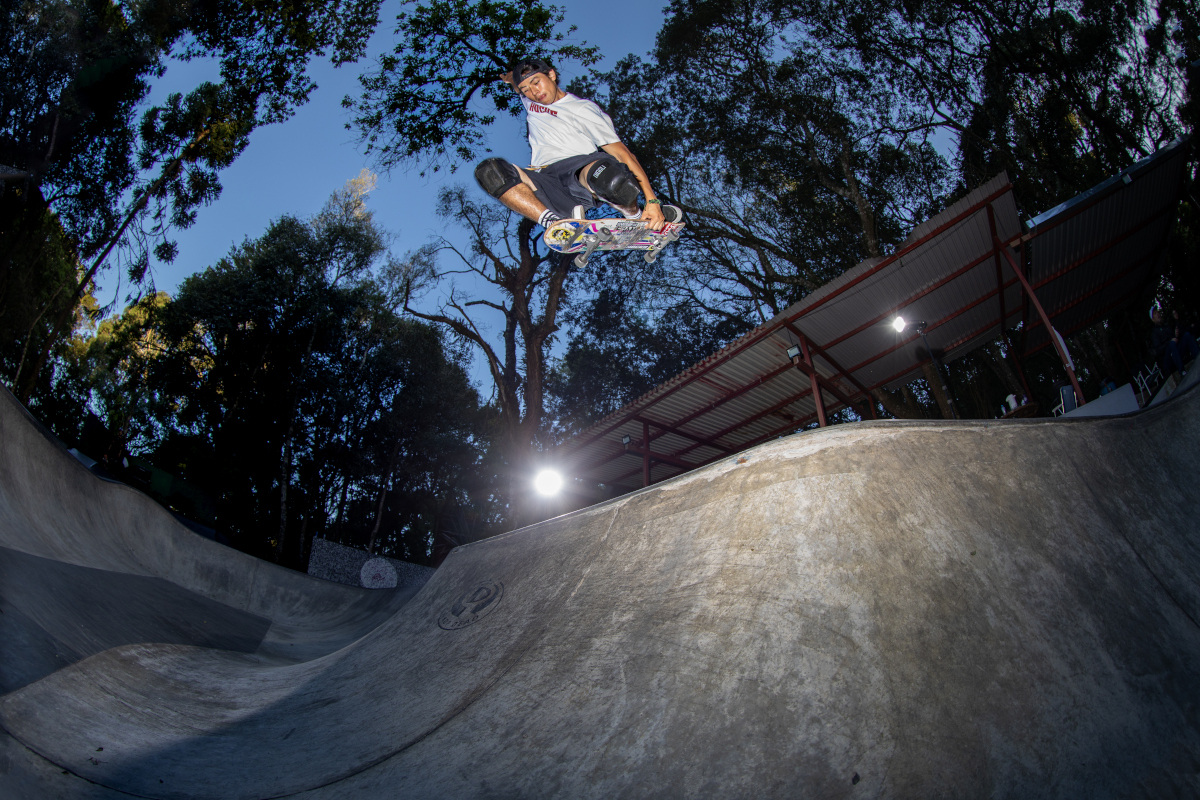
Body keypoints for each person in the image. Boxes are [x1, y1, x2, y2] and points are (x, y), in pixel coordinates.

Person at [473, 57, 682, 232]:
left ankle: (637, 216)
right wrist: (510, 78)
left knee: (610, 178)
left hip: (580, 169)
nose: (534, 93)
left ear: (552, 75)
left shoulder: (582, 109)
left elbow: (623, 154)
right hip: (544, 179)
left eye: (537, 82)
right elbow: (516, 83)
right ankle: (555, 224)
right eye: (526, 89)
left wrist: (652, 201)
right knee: (490, 170)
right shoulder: (530, 102)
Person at [1150, 305, 1199, 378]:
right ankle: (1182, 371)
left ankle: (1198, 357)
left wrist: (1176, 335)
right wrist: (1170, 342)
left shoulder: (1166, 326)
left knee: (1187, 335)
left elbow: (1174, 339)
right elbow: (1159, 350)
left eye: (1158, 312)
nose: (1158, 314)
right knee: (1172, 344)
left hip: (1176, 353)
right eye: (1155, 314)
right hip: (1168, 359)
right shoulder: (1154, 332)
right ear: (1153, 319)